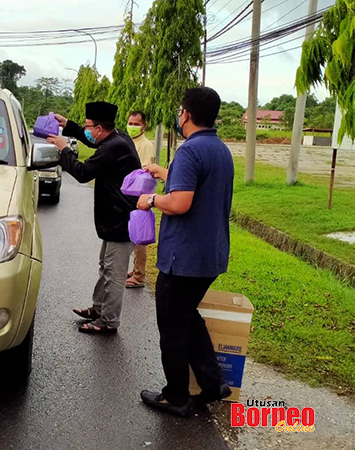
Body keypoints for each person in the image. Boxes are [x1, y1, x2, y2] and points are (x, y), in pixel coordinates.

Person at [136, 87, 234, 417]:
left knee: (173, 326)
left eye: (180, 111)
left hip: (184, 259)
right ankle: (213, 384)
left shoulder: (191, 151)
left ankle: (175, 396)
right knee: (188, 316)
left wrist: (151, 199)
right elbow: (196, 186)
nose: (179, 116)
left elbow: (179, 202)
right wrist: (165, 173)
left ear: (187, 114)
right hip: (211, 256)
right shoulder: (219, 149)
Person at [46, 101, 141, 334]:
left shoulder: (112, 147)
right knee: (105, 267)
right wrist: (68, 125)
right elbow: (90, 139)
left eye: (89, 126)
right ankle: (99, 308)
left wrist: (64, 149)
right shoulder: (114, 138)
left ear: (100, 128)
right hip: (114, 218)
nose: (87, 130)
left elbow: (82, 173)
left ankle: (109, 321)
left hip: (121, 220)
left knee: (115, 273)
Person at [125, 111, 155, 289]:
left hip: (139, 196)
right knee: (132, 234)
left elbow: (143, 172)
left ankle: (139, 276)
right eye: (130, 123)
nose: (132, 127)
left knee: (139, 238)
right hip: (129, 194)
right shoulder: (131, 142)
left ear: (144, 126)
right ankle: (135, 269)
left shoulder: (145, 145)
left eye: (136, 124)